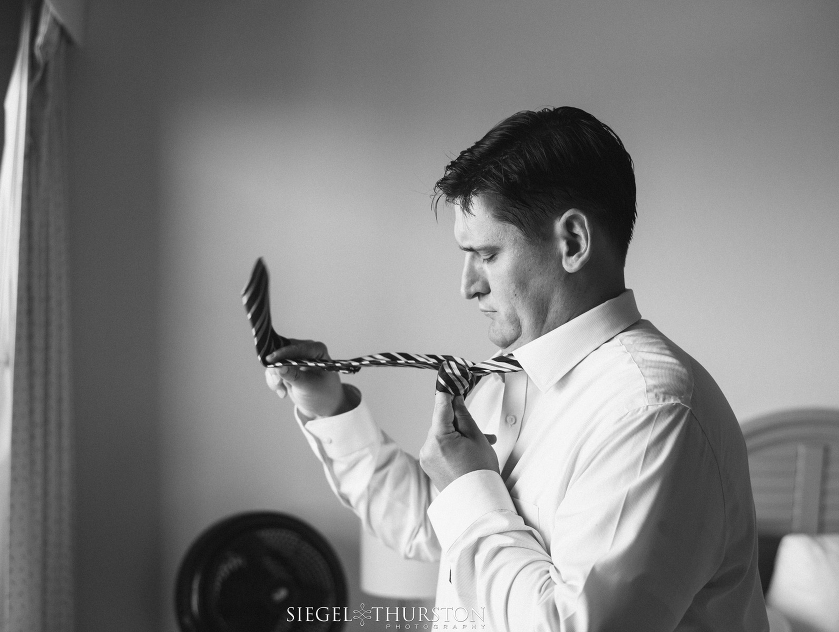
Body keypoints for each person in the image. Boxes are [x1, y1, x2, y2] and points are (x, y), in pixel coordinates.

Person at [264, 107, 769, 631]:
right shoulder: (503, 381)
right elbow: (438, 531)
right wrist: (328, 407)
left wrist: (471, 485)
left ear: (572, 242)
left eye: (486, 254)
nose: (468, 286)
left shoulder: (651, 412)